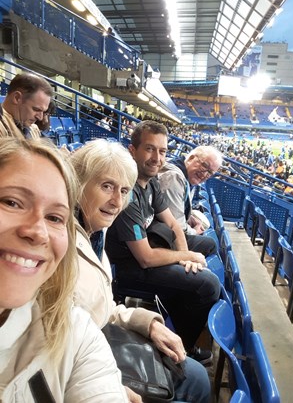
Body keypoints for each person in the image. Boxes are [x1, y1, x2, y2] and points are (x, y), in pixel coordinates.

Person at [70, 139, 211, 403]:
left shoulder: (95, 232)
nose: (116, 201)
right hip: (84, 363)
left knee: (195, 375)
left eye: (124, 191)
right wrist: (108, 385)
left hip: (101, 337)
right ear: (78, 182)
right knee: (194, 380)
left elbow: (98, 307)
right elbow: (59, 342)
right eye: (106, 186)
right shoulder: (58, 245)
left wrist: (147, 324)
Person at [0, 138, 128, 402]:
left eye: (55, 217)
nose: (37, 232)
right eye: (11, 202)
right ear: (81, 186)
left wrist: (140, 319)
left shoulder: (75, 331)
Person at [105, 120, 221, 361]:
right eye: (149, 149)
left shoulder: (151, 182)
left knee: (198, 274)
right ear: (132, 150)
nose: (157, 157)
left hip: (149, 250)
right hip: (129, 267)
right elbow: (145, 258)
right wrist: (185, 256)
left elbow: (174, 225)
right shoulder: (128, 193)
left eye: (162, 151)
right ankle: (182, 352)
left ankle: (178, 335)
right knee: (207, 285)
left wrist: (185, 258)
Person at [158, 145, 222, 241]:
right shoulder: (174, 178)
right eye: (204, 166)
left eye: (210, 173)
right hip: (159, 238)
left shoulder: (187, 177)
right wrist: (195, 232)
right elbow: (175, 226)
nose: (204, 174)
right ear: (191, 158)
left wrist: (188, 217)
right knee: (209, 244)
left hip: (166, 233)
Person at [0, 72, 53, 139]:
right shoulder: (1, 127)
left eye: (43, 111)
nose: (40, 117)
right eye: (36, 109)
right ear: (17, 98)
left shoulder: (33, 129)